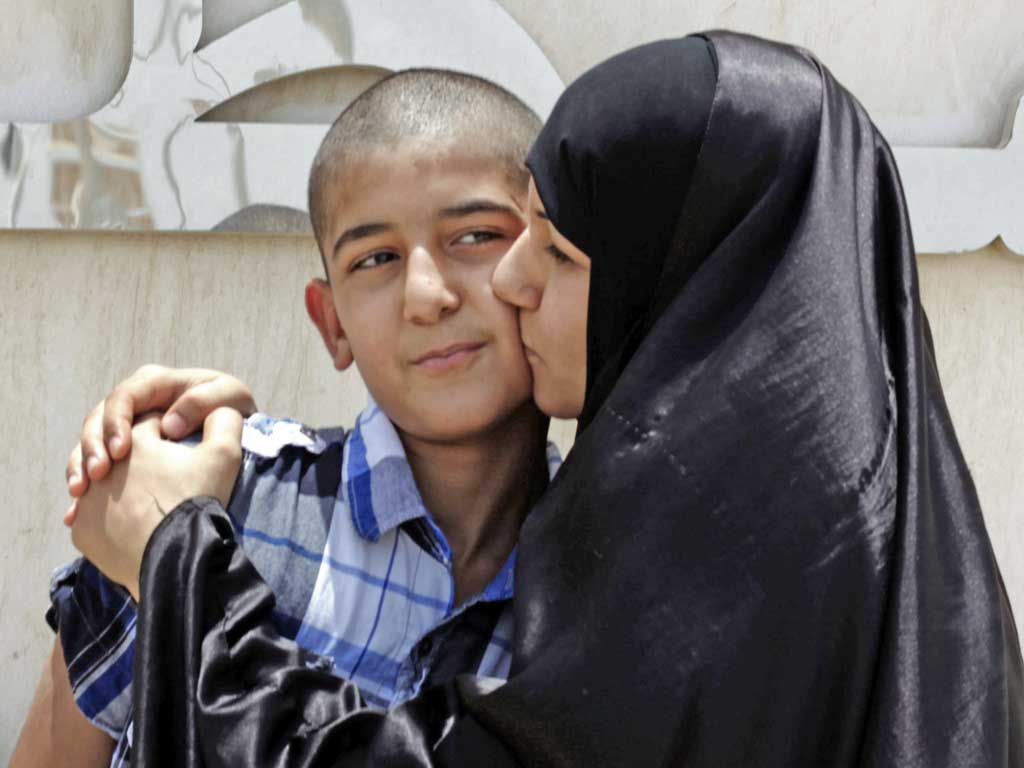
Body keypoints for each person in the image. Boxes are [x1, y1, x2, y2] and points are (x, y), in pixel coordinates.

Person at [68, 30, 1024, 766]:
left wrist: (177, 555)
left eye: (551, 248)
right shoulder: (868, 559)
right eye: (377, 258)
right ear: (330, 317)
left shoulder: (709, 583)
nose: (501, 284)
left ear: (680, 293)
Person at [10, 70, 561, 767]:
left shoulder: (595, 580)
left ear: (551, 263)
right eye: (377, 258)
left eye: (477, 235)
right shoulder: (214, 499)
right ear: (331, 324)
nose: (427, 295)